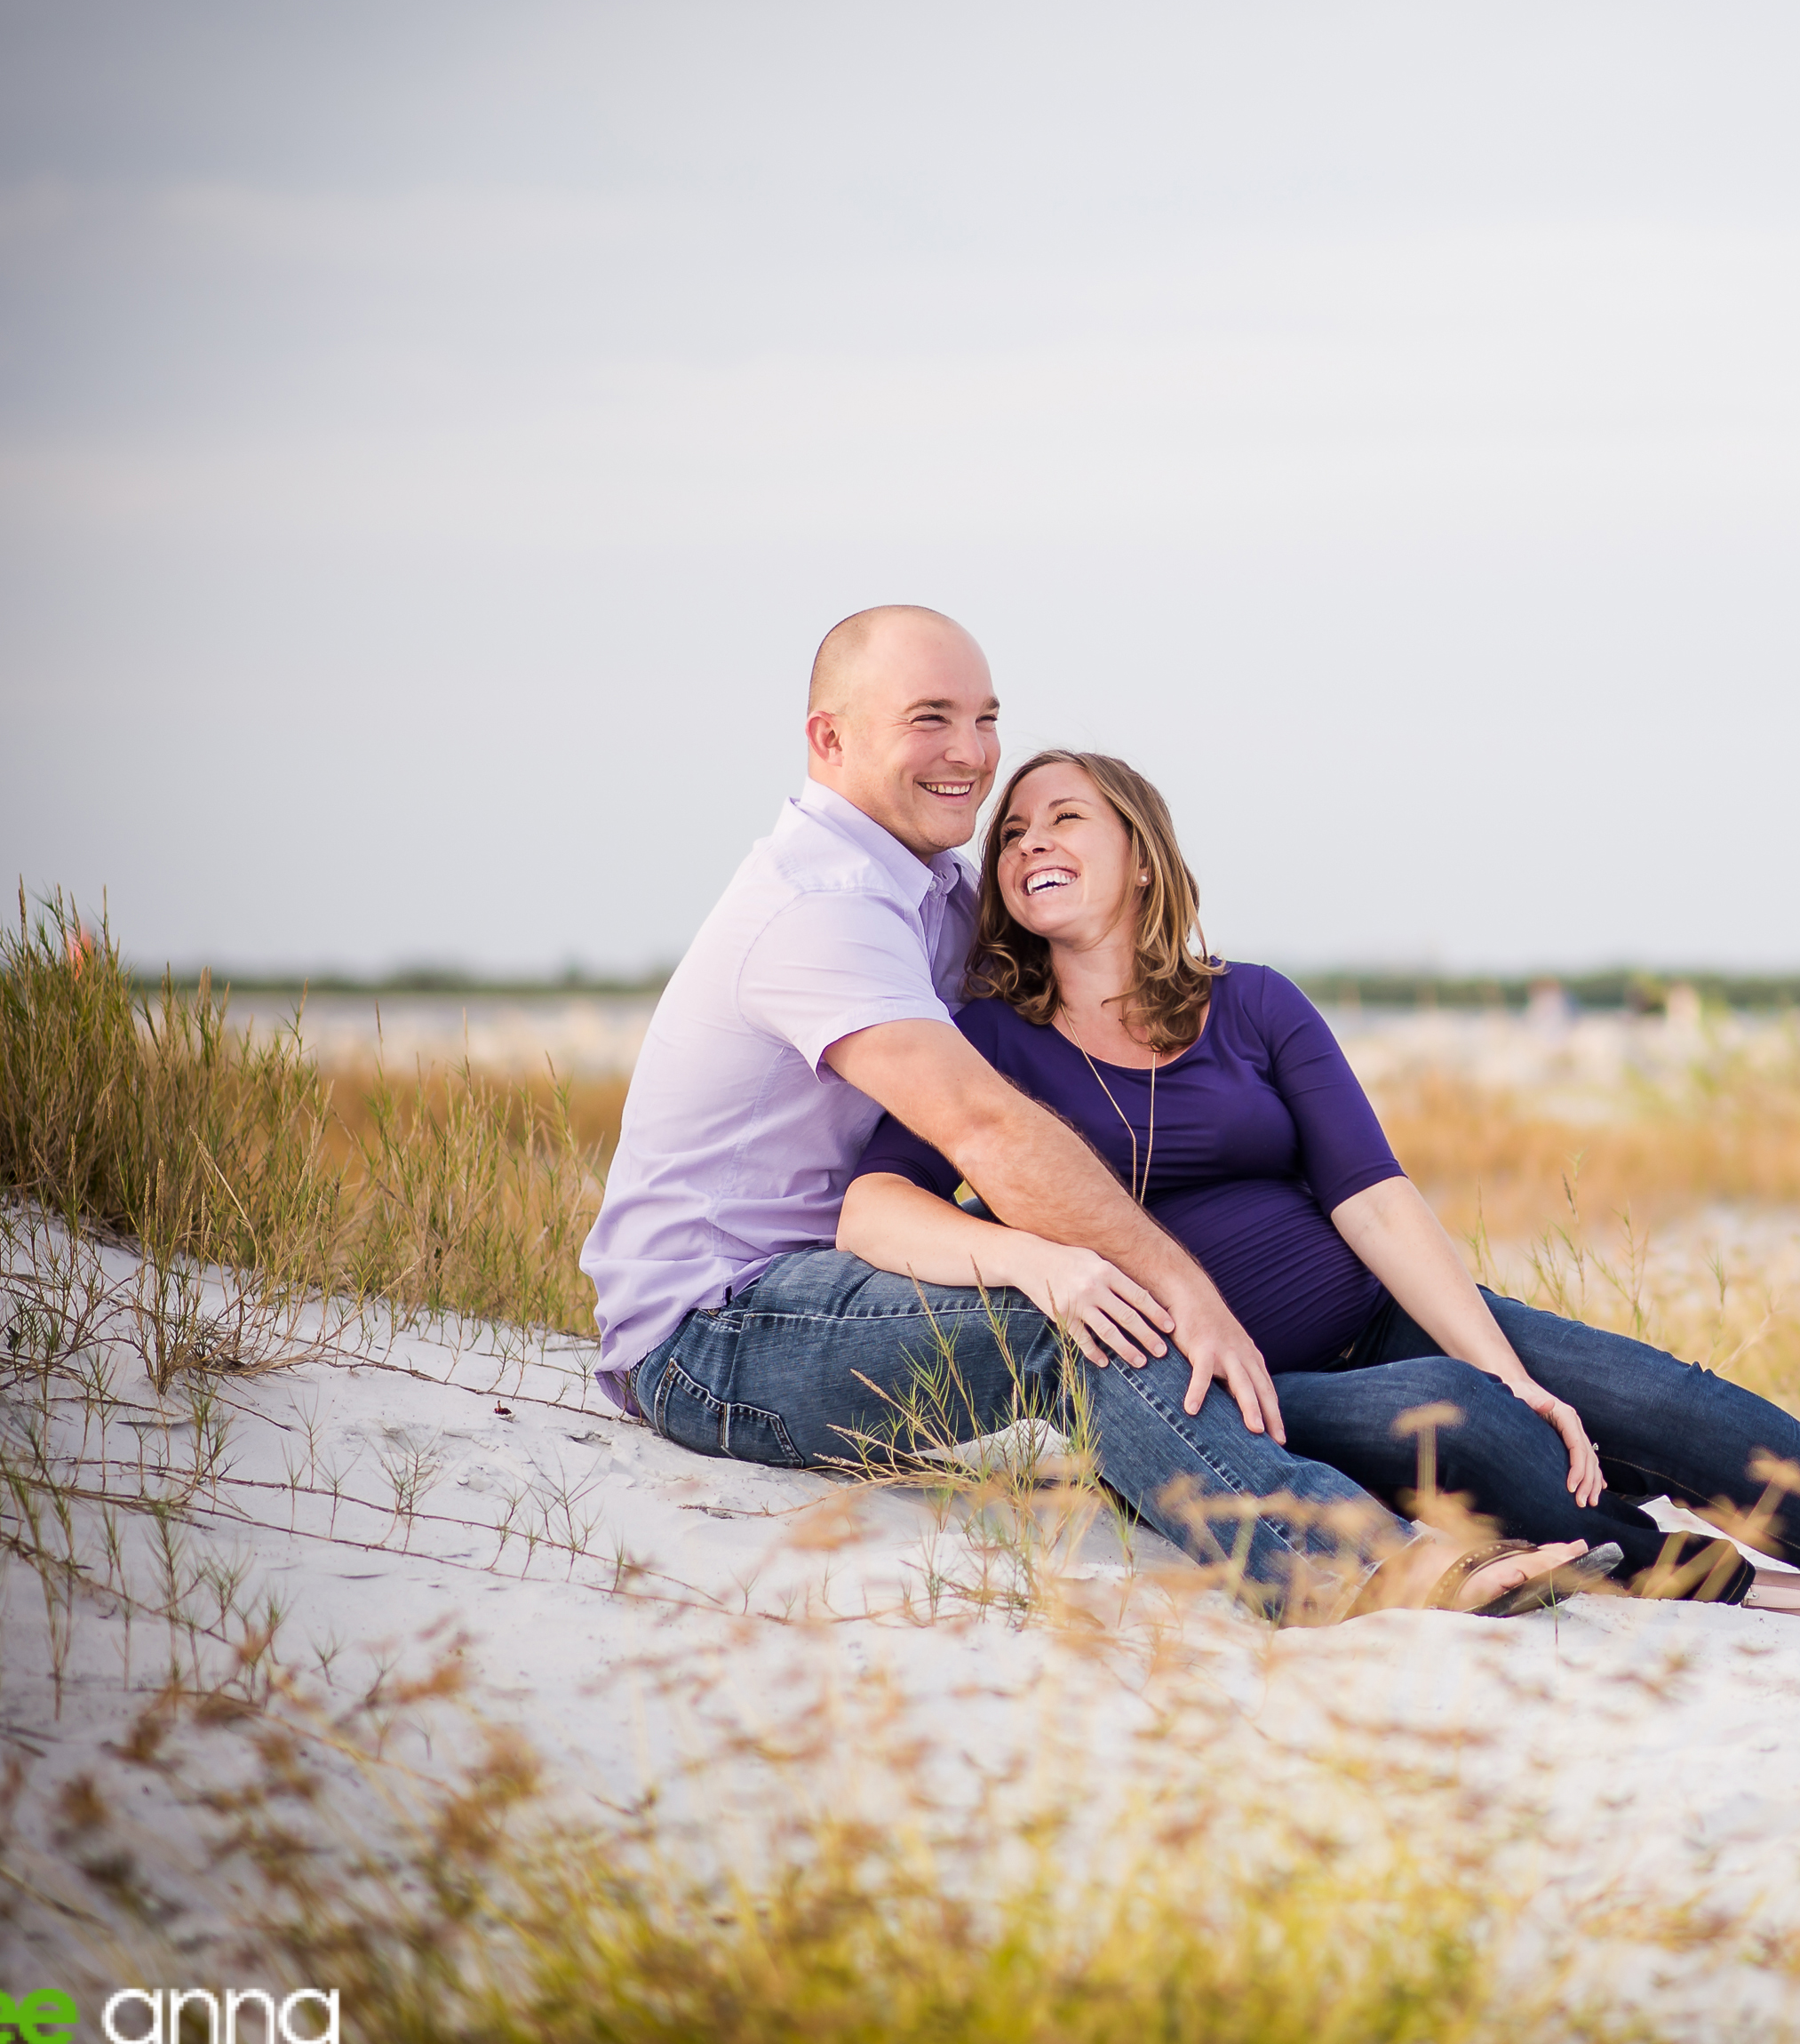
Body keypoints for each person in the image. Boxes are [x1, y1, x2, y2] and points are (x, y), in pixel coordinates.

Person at [840, 746, 1800, 1653]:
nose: (1028, 841)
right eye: (1013, 830)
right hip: (1223, 1395)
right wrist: (1028, 1260)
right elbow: (872, 1210)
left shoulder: (1253, 1002)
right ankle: (1718, 1580)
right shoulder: (987, 1038)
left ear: (1140, 851)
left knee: (1678, 1405)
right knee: (1475, 1428)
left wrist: (1513, 1360)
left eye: (1063, 816)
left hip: (1382, 1319)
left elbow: (1373, 1199)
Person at [581, 607, 1595, 1620]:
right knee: (1076, 1313)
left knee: (1084, 1280)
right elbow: (982, 1124)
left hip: (841, 1281)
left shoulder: (935, 890)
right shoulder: (822, 905)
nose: (971, 755)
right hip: (710, 1334)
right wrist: (1170, 1285)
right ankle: (1357, 1567)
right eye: (928, 718)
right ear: (830, 739)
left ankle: (1580, 1520)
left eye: (985, 719)